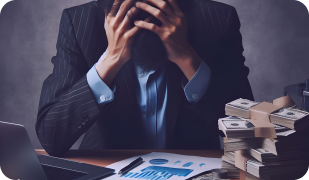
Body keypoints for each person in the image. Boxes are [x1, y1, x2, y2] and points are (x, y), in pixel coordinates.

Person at [36, 0, 254, 157]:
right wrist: (109, 61)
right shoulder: (80, 22)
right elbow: (51, 136)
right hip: (107, 171)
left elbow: (247, 133)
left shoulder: (217, 20)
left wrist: (189, 60)